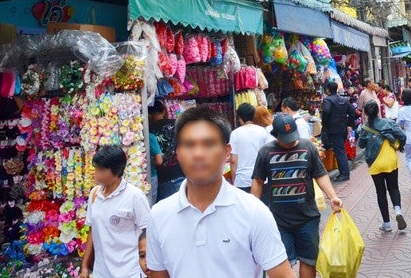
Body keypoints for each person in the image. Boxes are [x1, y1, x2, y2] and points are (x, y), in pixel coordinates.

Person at [145, 107, 293, 278]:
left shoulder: (253, 212)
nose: (198, 154)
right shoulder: (158, 215)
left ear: (227, 151)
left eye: (208, 144)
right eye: (189, 145)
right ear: (178, 153)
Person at [252, 115, 343, 278]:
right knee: (279, 263)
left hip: (307, 218)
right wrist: (251, 208)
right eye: (286, 139)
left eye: (293, 137)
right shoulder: (266, 152)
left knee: (309, 261)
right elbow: (258, 181)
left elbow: (320, 174)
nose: (291, 142)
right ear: (276, 135)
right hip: (279, 221)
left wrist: (333, 196)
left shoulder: (308, 146)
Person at [81, 145, 150, 278]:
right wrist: (85, 265)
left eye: (101, 170)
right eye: (96, 169)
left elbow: (148, 234)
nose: (96, 174)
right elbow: (92, 231)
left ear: (117, 170)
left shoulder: (135, 197)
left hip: (130, 272)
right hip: (102, 272)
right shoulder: (95, 194)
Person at [358, 101, 407, 232]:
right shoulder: (389, 123)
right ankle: (398, 212)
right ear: (379, 111)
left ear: (366, 113)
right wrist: (399, 146)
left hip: (375, 163)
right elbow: (402, 136)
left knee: (381, 192)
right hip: (390, 160)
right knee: (394, 188)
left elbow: (361, 145)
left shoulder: (365, 127)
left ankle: (386, 224)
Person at [230, 104, 274, 193]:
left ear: (240, 118)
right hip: (261, 178)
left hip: (242, 179)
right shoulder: (262, 131)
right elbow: (268, 156)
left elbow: (233, 161)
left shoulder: (235, 134)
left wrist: (234, 180)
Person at [148, 100, 185, 201]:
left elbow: (158, 159)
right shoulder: (176, 124)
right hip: (180, 172)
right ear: (164, 112)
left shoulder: (148, 130)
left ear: (149, 115)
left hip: (163, 177)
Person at [321, 81, 354, 183]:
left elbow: (326, 111)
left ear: (327, 90)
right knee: (340, 150)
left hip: (333, 130)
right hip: (342, 129)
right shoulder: (343, 100)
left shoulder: (328, 100)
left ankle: (344, 174)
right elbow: (352, 111)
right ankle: (344, 173)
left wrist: (324, 123)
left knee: (339, 151)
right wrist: (349, 124)